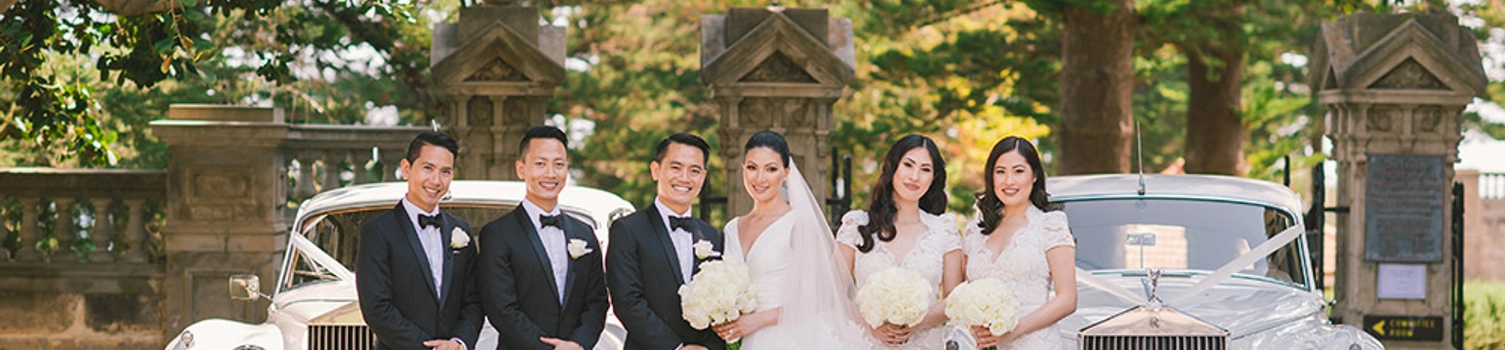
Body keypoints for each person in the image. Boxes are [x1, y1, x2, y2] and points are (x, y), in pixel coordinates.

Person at [712, 130, 866, 349]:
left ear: (786, 173)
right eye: (752, 168)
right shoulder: (732, 228)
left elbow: (818, 299)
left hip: (788, 337)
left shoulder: (798, 224)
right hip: (748, 340)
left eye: (771, 169)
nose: (759, 178)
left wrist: (757, 320)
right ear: (742, 169)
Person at [477, 126, 608, 350]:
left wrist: (578, 344)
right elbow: (501, 307)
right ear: (521, 169)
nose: (550, 173)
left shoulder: (584, 233)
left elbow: (597, 302)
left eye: (559, 164)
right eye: (540, 164)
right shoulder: (497, 234)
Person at [356, 131, 484, 350]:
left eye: (445, 171)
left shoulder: (460, 230)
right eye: (428, 168)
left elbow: (474, 301)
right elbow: (376, 308)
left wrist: (459, 343)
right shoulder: (377, 232)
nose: (436, 180)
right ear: (406, 169)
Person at [836, 134, 964, 349]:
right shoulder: (856, 224)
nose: (915, 176)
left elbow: (953, 299)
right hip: (866, 341)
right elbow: (832, 291)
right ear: (892, 168)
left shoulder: (944, 230)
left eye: (925, 169)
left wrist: (916, 322)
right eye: (908, 165)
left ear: (933, 178)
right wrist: (870, 325)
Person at [606, 133, 727, 350]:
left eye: (695, 171)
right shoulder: (627, 229)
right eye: (676, 167)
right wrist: (677, 347)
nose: (685, 178)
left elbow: (725, 304)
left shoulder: (714, 237)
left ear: (703, 176)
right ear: (655, 170)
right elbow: (627, 302)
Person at [961, 136, 1077, 349]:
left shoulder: (1050, 224)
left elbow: (1067, 299)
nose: (1008, 181)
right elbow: (963, 295)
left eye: (1018, 171)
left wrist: (1012, 331)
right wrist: (975, 326)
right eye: (1000, 172)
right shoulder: (974, 231)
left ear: (1034, 176)